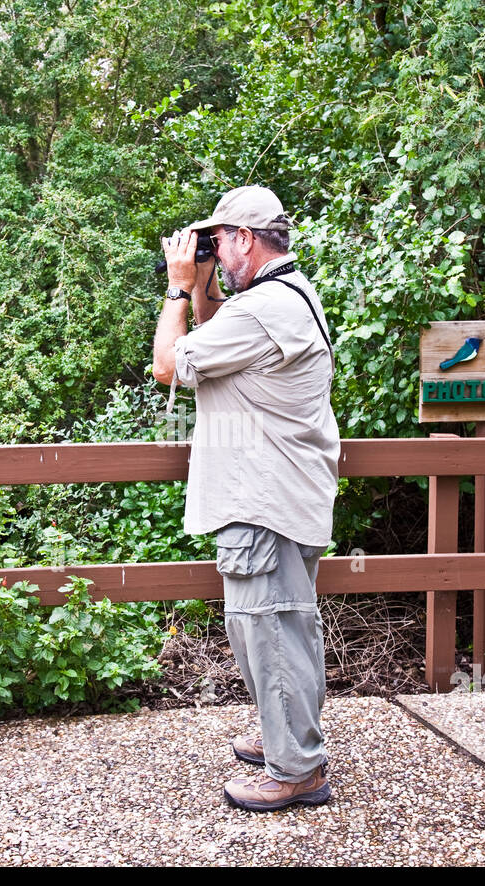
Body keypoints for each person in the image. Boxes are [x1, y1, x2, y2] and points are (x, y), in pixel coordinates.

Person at [151, 185, 340, 812]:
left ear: (246, 239)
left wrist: (180, 288)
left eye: (218, 240)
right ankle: (287, 740)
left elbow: (168, 364)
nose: (210, 251)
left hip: (263, 501)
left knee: (268, 629)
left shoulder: (261, 310)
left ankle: (297, 770)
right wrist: (206, 286)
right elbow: (217, 341)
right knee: (283, 626)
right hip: (284, 495)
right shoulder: (286, 296)